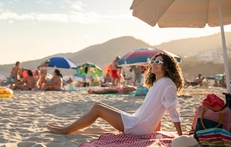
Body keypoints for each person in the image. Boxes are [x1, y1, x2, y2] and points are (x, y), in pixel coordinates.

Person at [47, 52, 184, 136]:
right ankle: (66, 128)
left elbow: (172, 110)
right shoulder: (158, 83)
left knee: (97, 108)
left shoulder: (167, 83)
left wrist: (180, 135)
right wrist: (155, 131)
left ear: (166, 66)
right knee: (98, 105)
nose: (154, 64)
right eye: (153, 61)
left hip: (138, 126)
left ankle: (65, 130)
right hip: (139, 123)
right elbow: (157, 110)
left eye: (158, 62)